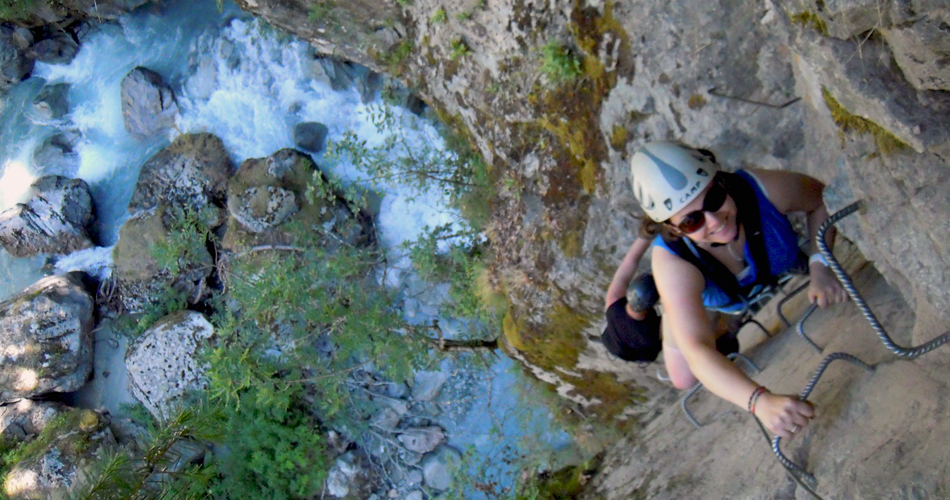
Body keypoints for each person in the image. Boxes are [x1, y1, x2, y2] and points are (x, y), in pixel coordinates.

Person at [628, 141, 848, 439]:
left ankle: (690, 308)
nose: (715, 221)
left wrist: (820, 264)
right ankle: (674, 308)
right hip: (715, 298)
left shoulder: (762, 190)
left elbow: (820, 199)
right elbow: (697, 351)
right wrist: (759, 401)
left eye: (715, 198)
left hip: (756, 277)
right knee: (684, 377)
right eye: (692, 221)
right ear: (674, 228)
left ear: (720, 180)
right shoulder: (673, 261)